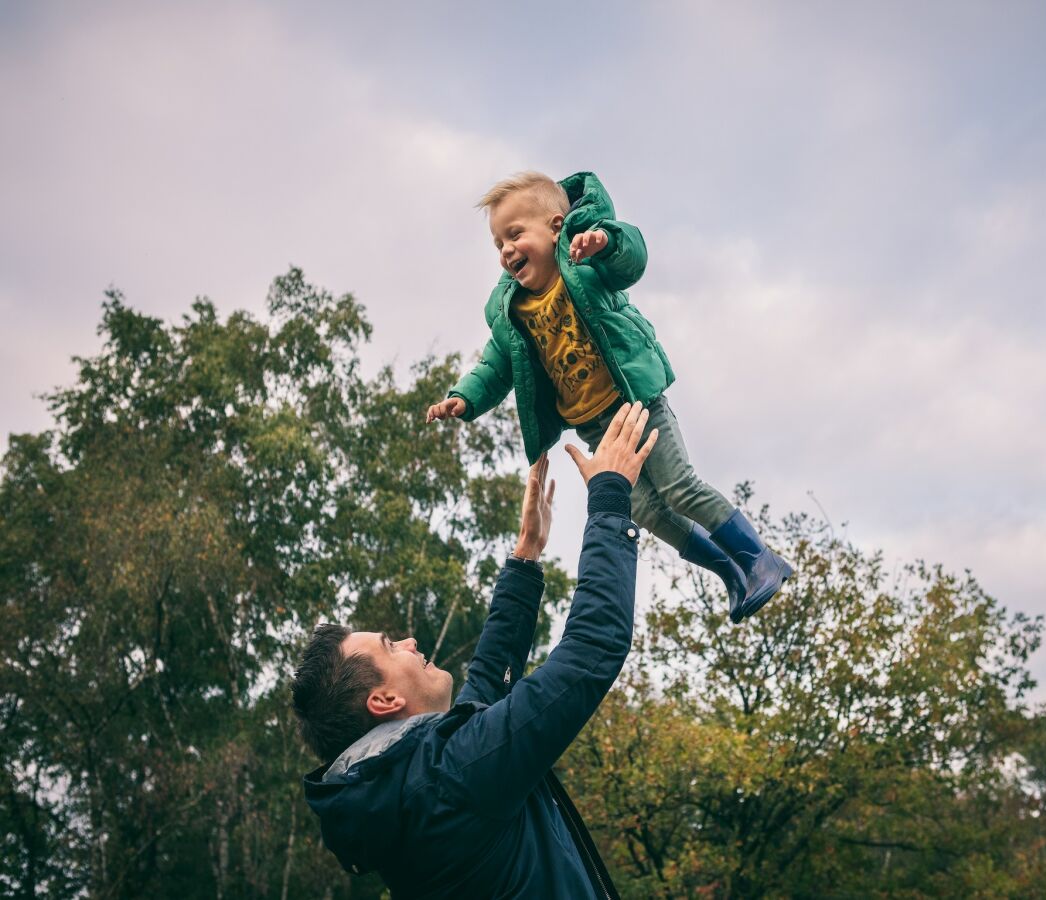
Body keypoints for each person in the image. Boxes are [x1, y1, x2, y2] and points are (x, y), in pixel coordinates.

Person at [293, 402, 659, 898]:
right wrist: (611, 495)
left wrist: (525, 560)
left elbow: (482, 692)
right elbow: (591, 649)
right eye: (389, 646)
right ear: (382, 702)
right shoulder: (451, 777)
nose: (408, 642)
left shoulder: (410, 792)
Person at [426, 171, 791, 622]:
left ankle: (759, 558)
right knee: (646, 510)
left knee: (678, 487)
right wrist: (465, 397)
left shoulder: (584, 257)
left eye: (515, 234)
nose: (505, 250)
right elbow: (495, 364)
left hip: (636, 400)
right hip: (598, 425)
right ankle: (731, 572)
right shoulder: (511, 309)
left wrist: (605, 242)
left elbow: (632, 258)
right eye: (498, 243)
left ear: (557, 227)